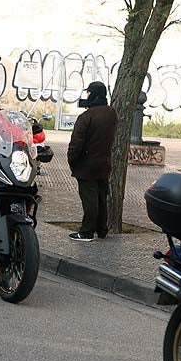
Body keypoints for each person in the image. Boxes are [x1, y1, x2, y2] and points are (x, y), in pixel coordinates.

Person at [67, 81, 118, 241]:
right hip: (104, 163)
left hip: (86, 165)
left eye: (88, 93)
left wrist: (72, 161)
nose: (86, 96)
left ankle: (86, 232)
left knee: (89, 200)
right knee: (101, 198)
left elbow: (76, 143)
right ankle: (102, 230)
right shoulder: (111, 113)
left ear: (93, 94)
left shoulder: (86, 116)